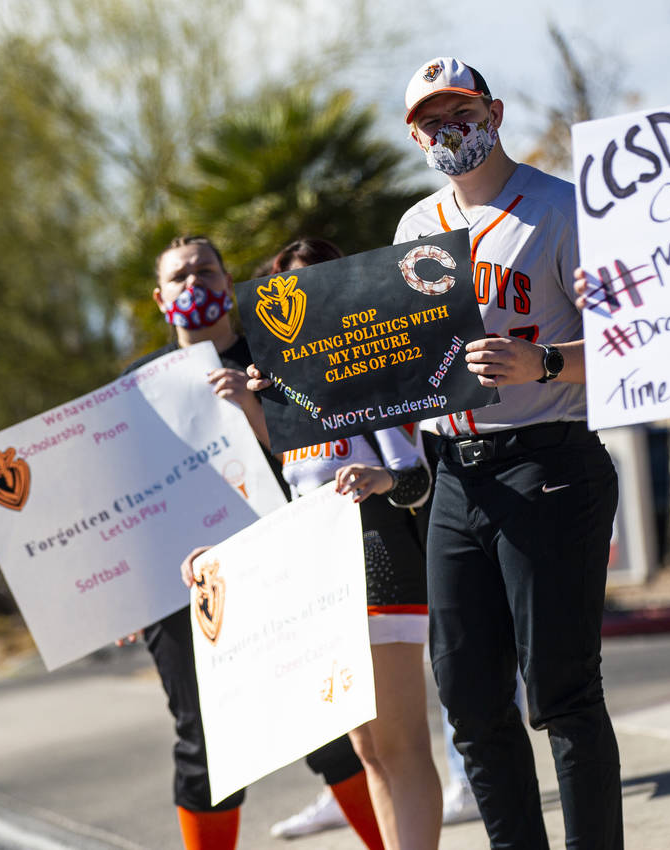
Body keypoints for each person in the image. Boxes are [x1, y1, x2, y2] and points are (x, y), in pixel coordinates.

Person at [393, 58, 622, 849]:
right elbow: (394, 362)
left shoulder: (561, 208)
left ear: (492, 110)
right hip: (452, 474)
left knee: (561, 691)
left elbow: (630, 345)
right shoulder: (414, 228)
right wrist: (296, 384)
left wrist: (546, 362)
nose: (446, 128)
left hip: (546, 460)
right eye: (429, 118)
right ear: (413, 135)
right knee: (467, 697)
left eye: (460, 109)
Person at [121, 234, 384, 850]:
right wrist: (121, 591)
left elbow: (321, 455)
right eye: (180, 277)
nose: (195, 285)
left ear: (227, 281)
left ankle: (392, 843)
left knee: (327, 723)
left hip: (281, 566)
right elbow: (121, 501)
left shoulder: (275, 363)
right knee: (202, 743)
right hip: (183, 588)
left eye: (206, 271)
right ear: (161, 299)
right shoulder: (131, 389)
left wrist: (255, 407)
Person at [249, 237, 443, 850]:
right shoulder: (284, 392)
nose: (303, 300)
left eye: (318, 284)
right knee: (364, 748)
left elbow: (418, 478)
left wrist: (381, 478)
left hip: (381, 565)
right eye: (289, 290)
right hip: (317, 582)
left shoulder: (365, 369)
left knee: (400, 741)